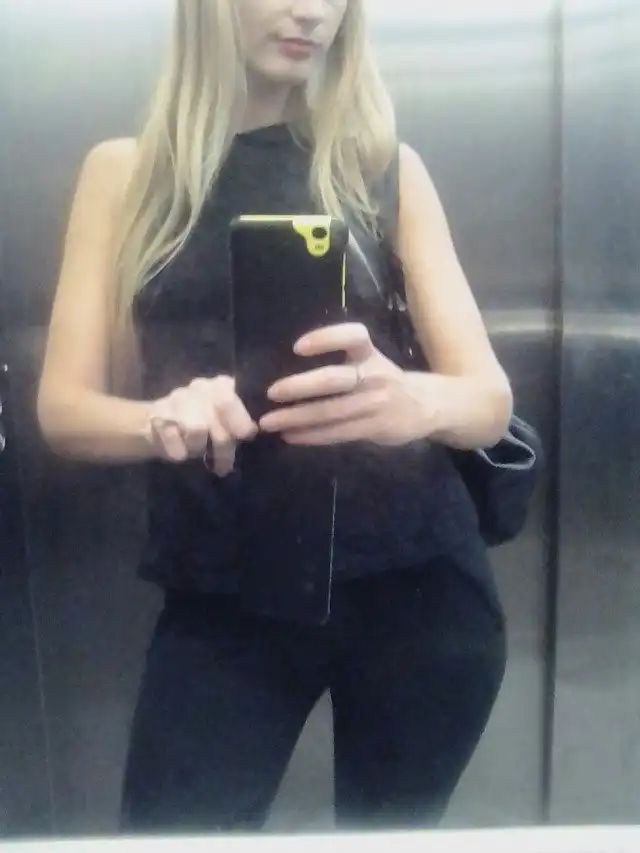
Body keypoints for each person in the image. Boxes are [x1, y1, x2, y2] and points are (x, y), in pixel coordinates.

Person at [38, 0, 513, 834]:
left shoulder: (380, 167)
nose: (312, 12)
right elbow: (64, 410)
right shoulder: (127, 174)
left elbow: (488, 401)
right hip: (225, 598)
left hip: (419, 591)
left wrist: (411, 400)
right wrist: (160, 418)